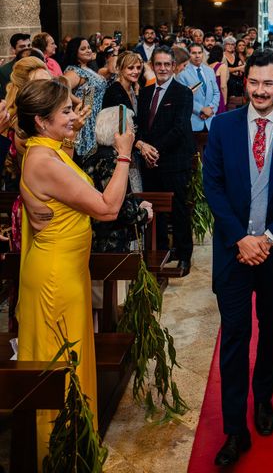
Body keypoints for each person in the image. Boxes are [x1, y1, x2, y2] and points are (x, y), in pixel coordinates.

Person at [203, 48, 273, 466]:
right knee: (235, 337)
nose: (260, 90)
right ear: (244, 81)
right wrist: (240, 238)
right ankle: (235, 429)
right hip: (234, 252)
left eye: (268, 83)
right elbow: (212, 187)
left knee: (271, 333)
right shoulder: (223, 126)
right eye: (253, 82)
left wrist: (268, 238)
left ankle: (263, 401)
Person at [15, 78, 135, 466]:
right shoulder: (44, 161)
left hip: (65, 271)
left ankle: (70, 444)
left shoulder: (44, 148)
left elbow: (63, 156)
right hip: (57, 279)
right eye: (66, 111)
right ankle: (59, 451)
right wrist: (123, 155)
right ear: (40, 121)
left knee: (70, 356)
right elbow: (107, 208)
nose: (75, 116)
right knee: (61, 363)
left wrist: (70, 128)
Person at [135, 46, 195, 274]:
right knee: (154, 209)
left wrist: (154, 150)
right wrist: (144, 148)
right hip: (149, 162)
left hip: (174, 160)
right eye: (158, 64)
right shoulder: (146, 93)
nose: (162, 68)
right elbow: (140, 124)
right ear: (152, 65)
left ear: (173, 66)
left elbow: (179, 128)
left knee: (179, 209)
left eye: (166, 64)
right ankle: (160, 250)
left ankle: (184, 255)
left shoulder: (183, 93)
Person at [83, 106, 152, 252]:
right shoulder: (113, 160)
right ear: (118, 133)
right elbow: (118, 208)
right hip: (109, 242)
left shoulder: (93, 154)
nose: (133, 133)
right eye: (131, 128)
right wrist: (144, 214)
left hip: (92, 235)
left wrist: (138, 202)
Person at [63, 37, 109, 158]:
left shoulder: (87, 69)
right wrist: (81, 103)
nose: (88, 50)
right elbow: (61, 88)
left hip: (95, 117)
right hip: (85, 119)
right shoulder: (74, 71)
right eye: (83, 49)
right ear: (75, 52)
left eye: (89, 47)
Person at [176, 43, 220, 132]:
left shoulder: (210, 71)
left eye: (199, 53)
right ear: (189, 55)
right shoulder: (182, 73)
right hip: (193, 121)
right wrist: (201, 109)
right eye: (194, 53)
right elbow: (183, 98)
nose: (197, 56)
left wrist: (211, 109)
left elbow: (216, 93)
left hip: (210, 120)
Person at [0, 33, 31, 99]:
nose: (27, 49)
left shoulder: (37, 66)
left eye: (28, 45)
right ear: (13, 49)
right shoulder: (5, 71)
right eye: (22, 46)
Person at [223, 36, 246, 110]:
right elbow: (225, 69)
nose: (230, 46)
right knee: (230, 108)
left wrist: (237, 71)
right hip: (228, 86)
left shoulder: (236, 56)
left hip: (238, 86)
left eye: (232, 44)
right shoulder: (222, 56)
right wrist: (238, 68)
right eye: (228, 44)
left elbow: (242, 70)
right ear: (224, 45)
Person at [207, 44, 228, 114]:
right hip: (219, 97)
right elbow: (223, 86)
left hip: (208, 98)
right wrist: (224, 100)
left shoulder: (207, 67)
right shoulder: (222, 66)